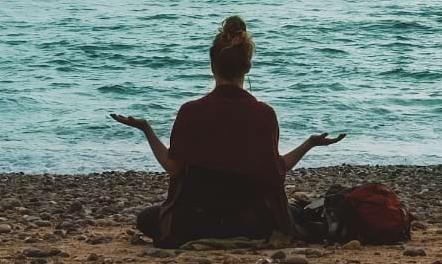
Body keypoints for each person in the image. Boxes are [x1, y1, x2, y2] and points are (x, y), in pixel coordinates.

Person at [111, 16, 345, 247]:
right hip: (250, 222)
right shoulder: (264, 113)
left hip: (196, 221)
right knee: (295, 212)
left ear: (212, 66)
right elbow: (275, 170)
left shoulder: (191, 111)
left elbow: (174, 168)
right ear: (248, 67)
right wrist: (309, 143)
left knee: (148, 219)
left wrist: (146, 129)